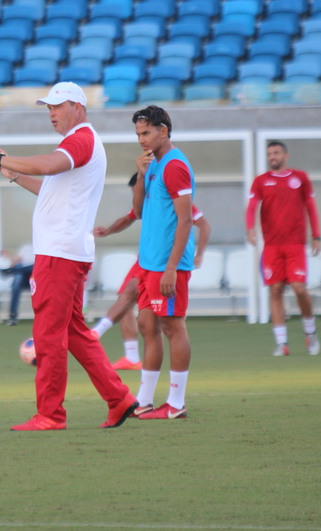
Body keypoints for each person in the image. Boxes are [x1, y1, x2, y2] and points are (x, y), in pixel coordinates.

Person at [0, 81, 138, 431]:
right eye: (48, 107)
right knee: (75, 332)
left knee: (49, 334)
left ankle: (50, 414)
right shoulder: (81, 140)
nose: (51, 112)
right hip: (69, 251)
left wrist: (1, 157)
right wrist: (12, 172)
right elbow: (50, 185)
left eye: (57, 106)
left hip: (59, 253)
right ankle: (119, 398)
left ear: (78, 106)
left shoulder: (80, 139)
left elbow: (48, 166)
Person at [92, 174, 211, 371]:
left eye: (137, 192)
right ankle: (130, 356)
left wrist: (200, 254)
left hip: (164, 262)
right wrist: (108, 231)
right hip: (147, 259)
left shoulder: (173, 199)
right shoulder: (145, 202)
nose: (136, 198)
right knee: (127, 297)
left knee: (160, 319)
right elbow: (129, 217)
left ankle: (95, 333)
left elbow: (203, 224)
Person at [130, 105, 196, 420]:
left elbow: (185, 221)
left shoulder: (175, 166)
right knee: (146, 325)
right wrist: (141, 176)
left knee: (172, 327)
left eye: (146, 133)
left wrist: (171, 267)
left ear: (164, 131)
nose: (142, 140)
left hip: (167, 265)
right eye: (138, 134)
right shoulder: (155, 165)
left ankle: (176, 403)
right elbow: (140, 211)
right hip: (149, 263)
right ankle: (143, 400)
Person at [246, 141, 321, 357]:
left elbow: (311, 207)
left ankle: (310, 332)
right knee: (276, 290)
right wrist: (250, 229)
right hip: (272, 246)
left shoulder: (300, 178)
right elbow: (252, 206)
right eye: (269, 153)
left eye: (276, 153)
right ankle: (282, 343)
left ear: (285, 156)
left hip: (295, 245)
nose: (272, 156)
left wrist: (317, 236)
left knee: (299, 288)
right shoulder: (261, 181)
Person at [0, 243, 34, 326]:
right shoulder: (26, 247)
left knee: (34, 266)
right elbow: (15, 261)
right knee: (17, 279)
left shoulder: (44, 247)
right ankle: (12, 316)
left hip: (38, 277)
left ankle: (11, 271)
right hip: (26, 280)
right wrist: (8, 258)